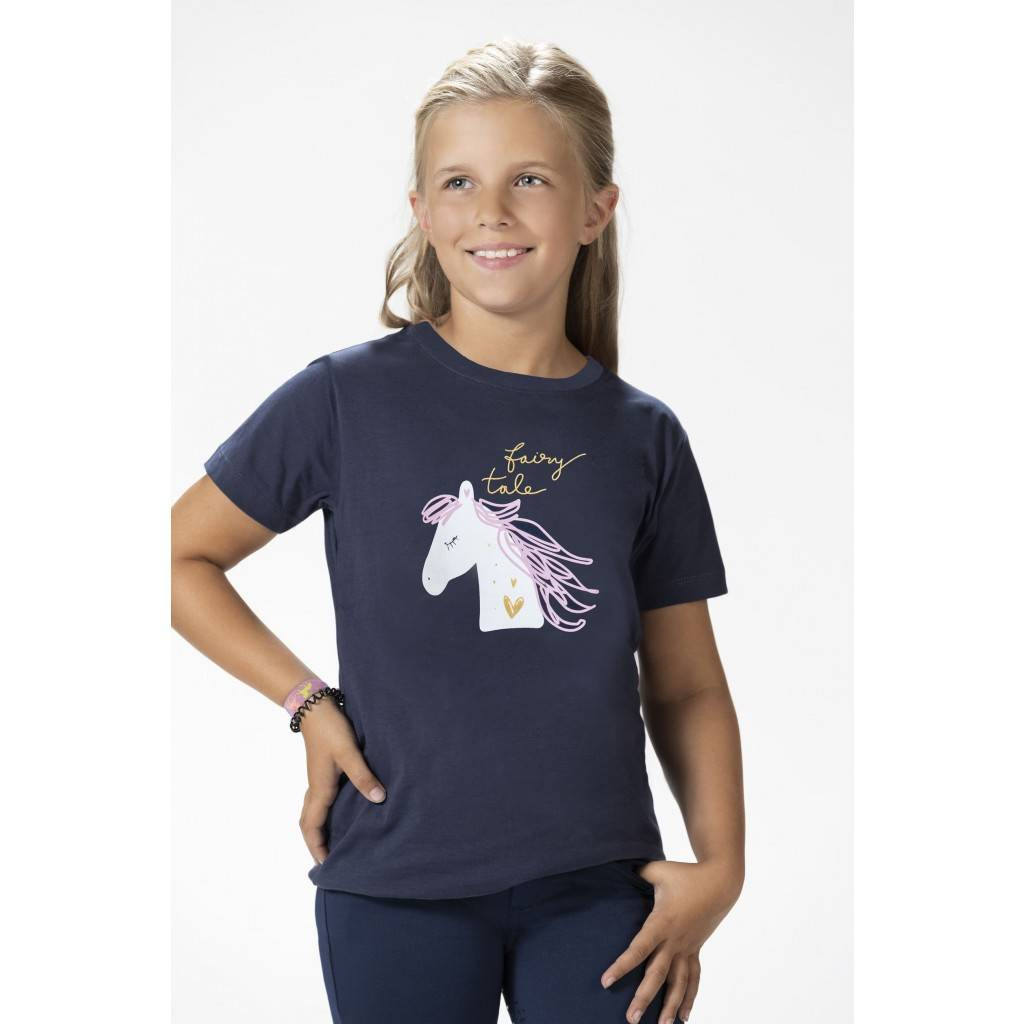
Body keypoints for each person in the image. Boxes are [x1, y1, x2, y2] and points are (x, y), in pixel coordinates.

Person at [171, 37, 745, 1024]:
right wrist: (308, 702)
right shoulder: (344, 400)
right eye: (459, 182)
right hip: (394, 883)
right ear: (422, 211)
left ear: (595, 210)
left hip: (602, 890)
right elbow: (178, 557)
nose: (493, 211)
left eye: (530, 179)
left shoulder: (642, 437)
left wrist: (721, 870)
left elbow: (686, 683)